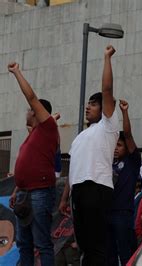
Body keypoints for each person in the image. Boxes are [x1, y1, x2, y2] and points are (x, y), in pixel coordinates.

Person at [60, 45, 120, 265]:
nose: (88, 107)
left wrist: (106, 58)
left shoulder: (109, 125)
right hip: (78, 192)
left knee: (96, 245)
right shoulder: (79, 138)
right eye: (88, 104)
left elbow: (106, 89)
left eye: (93, 104)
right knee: (83, 245)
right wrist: (65, 197)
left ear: (105, 107)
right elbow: (73, 169)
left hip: (97, 188)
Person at [7, 62, 59, 266]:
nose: (28, 112)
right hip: (25, 193)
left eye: (31, 110)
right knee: (24, 242)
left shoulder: (47, 127)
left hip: (40, 192)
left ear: (39, 112)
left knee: (42, 243)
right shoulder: (34, 136)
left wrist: (16, 72)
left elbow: (31, 96)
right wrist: (16, 190)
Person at [107, 99, 141, 266]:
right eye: (114, 145)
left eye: (119, 145)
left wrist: (124, 112)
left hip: (123, 214)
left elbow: (127, 135)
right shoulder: (108, 164)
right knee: (110, 254)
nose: (115, 148)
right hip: (108, 214)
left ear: (127, 148)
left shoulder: (132, 162)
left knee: (126, 254)